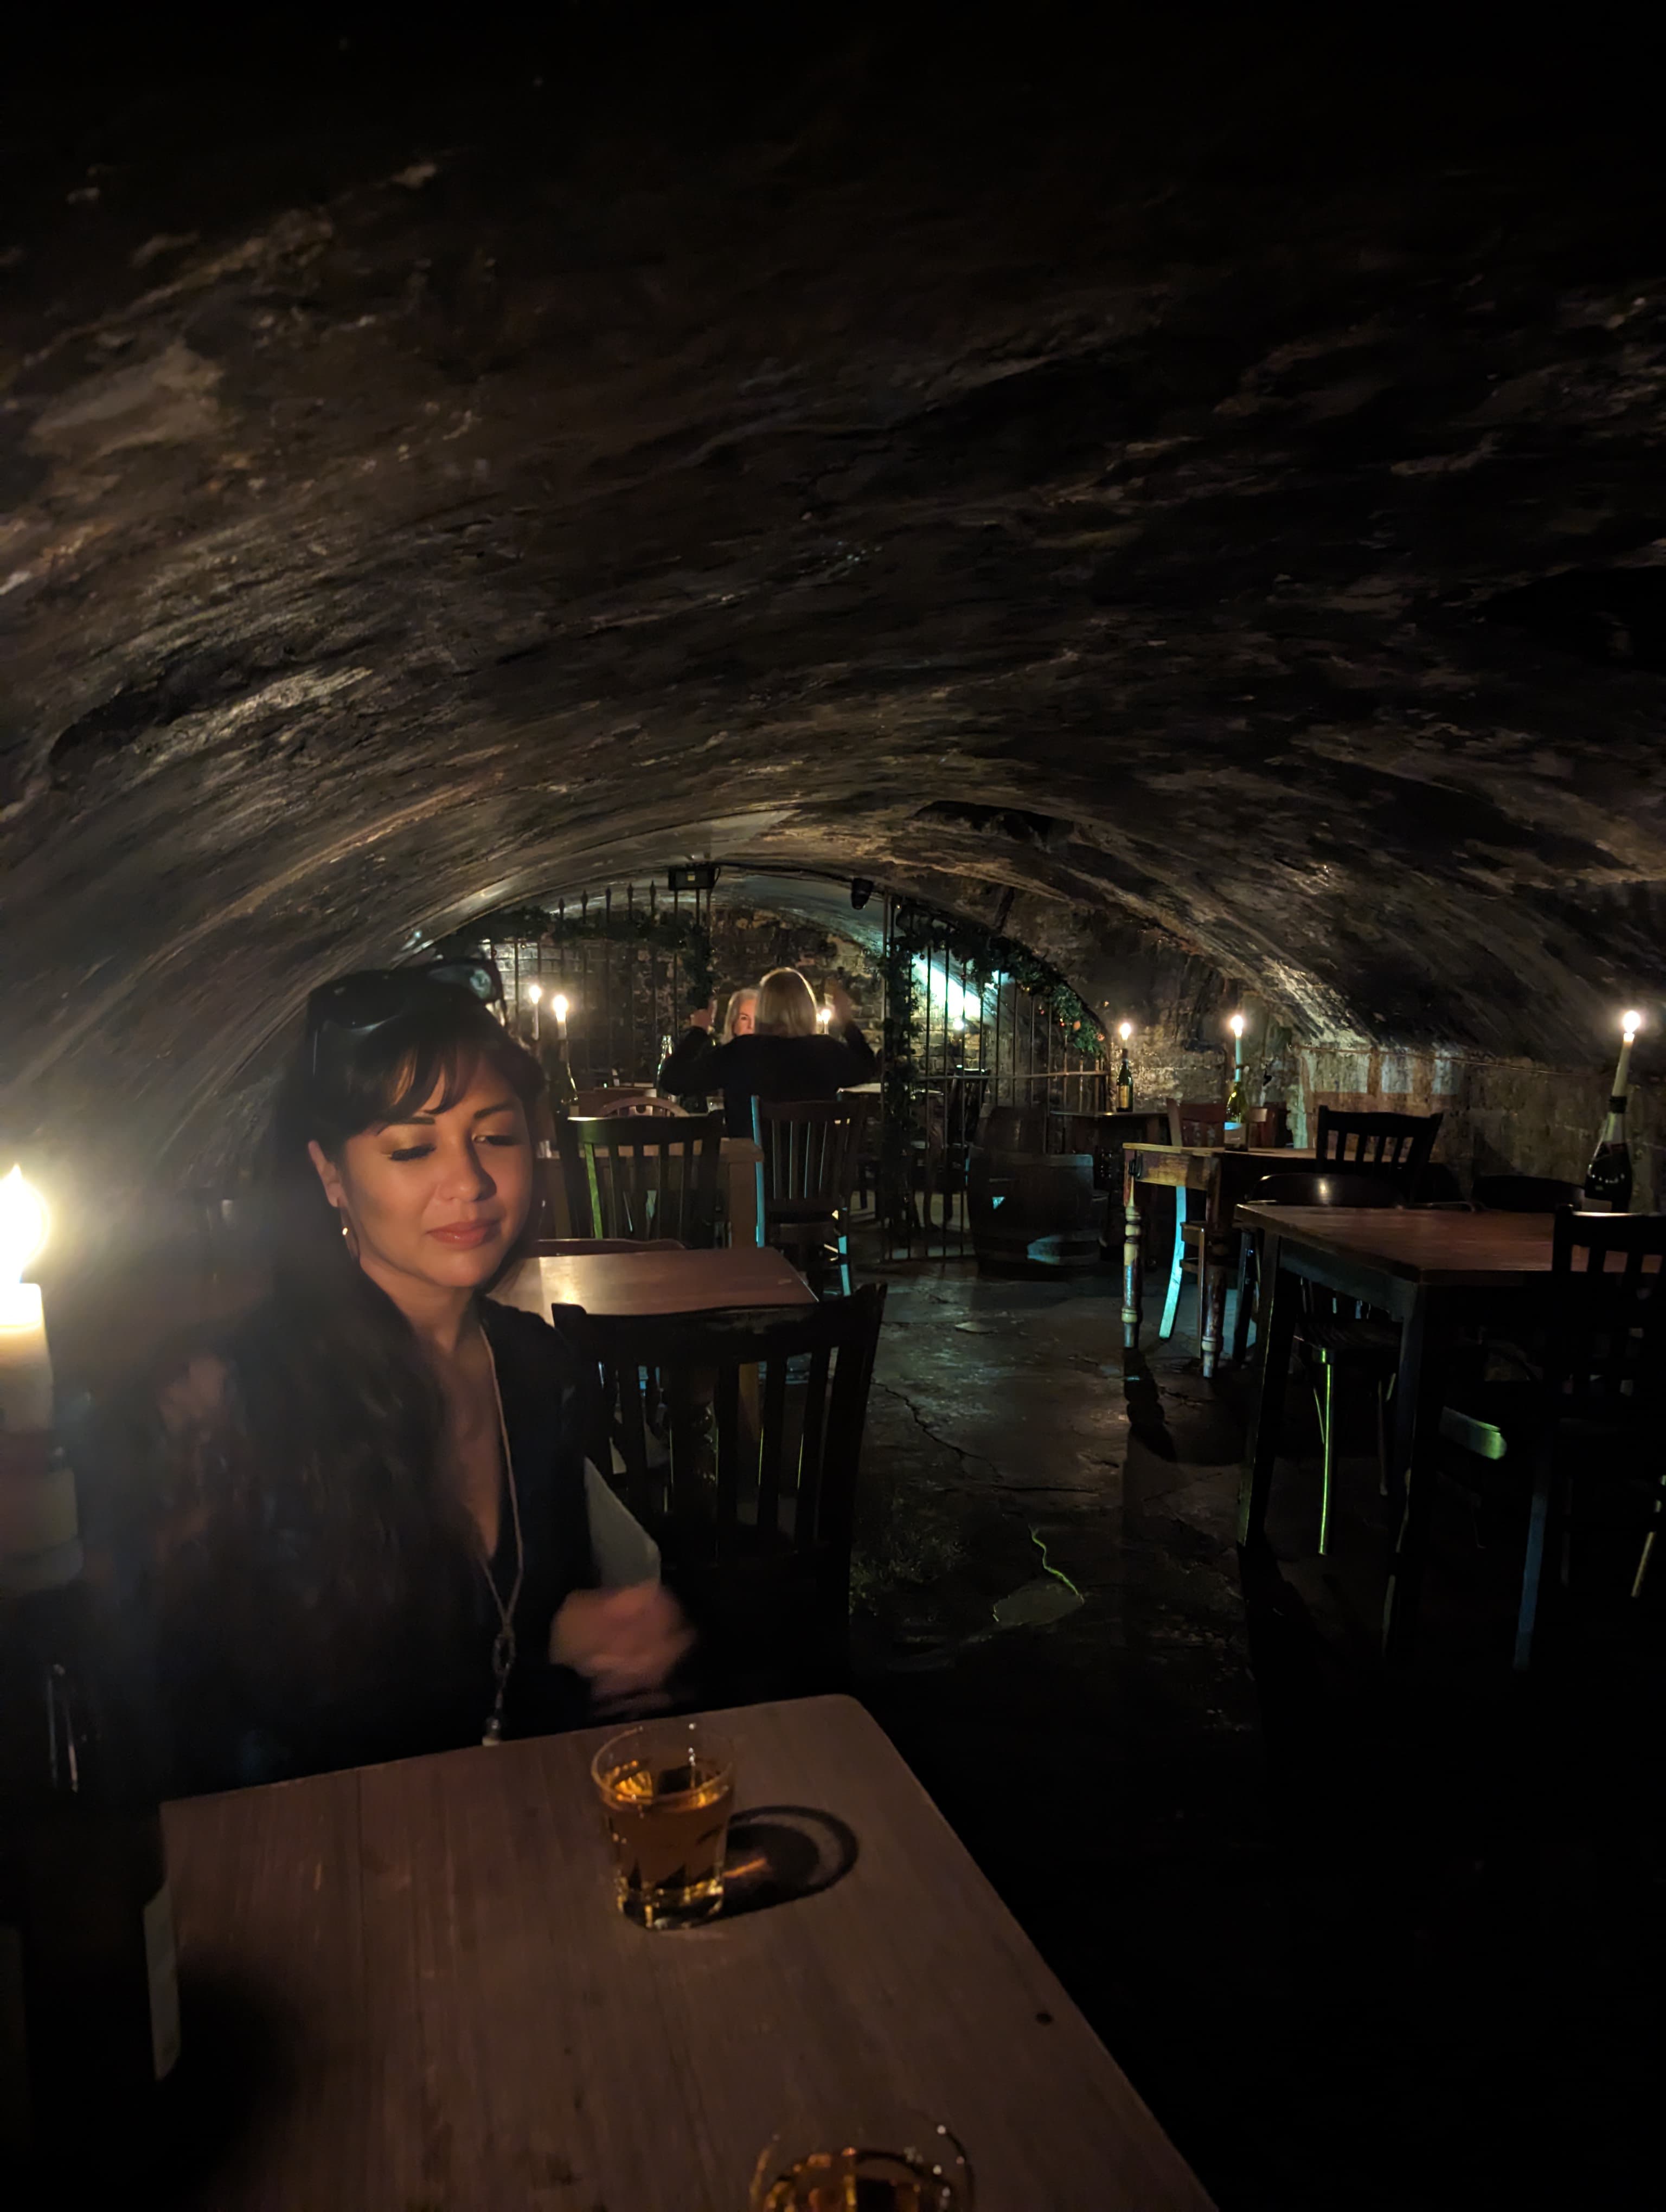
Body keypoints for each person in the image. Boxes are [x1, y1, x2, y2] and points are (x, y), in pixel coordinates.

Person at [109, 963, 688, 1793]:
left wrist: (580, 1633)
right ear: (330, 1175)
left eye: (496, 1135)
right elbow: (173, 1727)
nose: (471, 1183)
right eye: (413, 1148)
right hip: (314, 1874)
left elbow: (510, 1625)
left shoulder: (534, 1364)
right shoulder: (229, 1398)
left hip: (513, 1841)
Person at [656, 967, 877, 1136]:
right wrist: (847, 1022)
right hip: (816, 1185)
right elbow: (869, 1067)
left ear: (764, 1009)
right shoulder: (826, 1050)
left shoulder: (742, 1051)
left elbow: (672, 1080)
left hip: (751, 1183)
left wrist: (698, 1031)